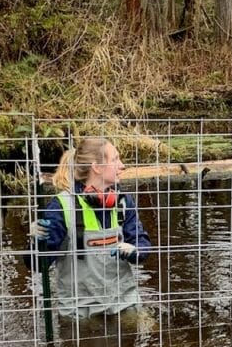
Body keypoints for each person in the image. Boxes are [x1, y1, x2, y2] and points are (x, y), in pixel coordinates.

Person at [33, 136, 152, 319]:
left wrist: (136, 250)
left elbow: (142, 243)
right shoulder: (61, 206)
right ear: (97, 167)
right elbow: (37, 265)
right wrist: (37, 242)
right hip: (80, 313)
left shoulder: (123, 201)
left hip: (124, 305)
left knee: (150, 334)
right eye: (115, 159)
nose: (122, 166)